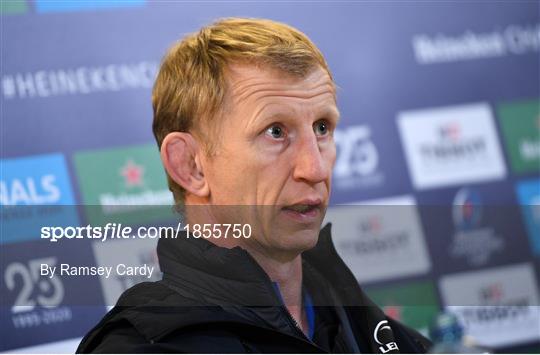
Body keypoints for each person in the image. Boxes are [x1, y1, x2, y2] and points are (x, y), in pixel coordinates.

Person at [77, 17, 431, 353]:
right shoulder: (143, 346)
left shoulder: (362, 323)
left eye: (322, 127)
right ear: (190, 166)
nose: (315, 167)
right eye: (276, 132)